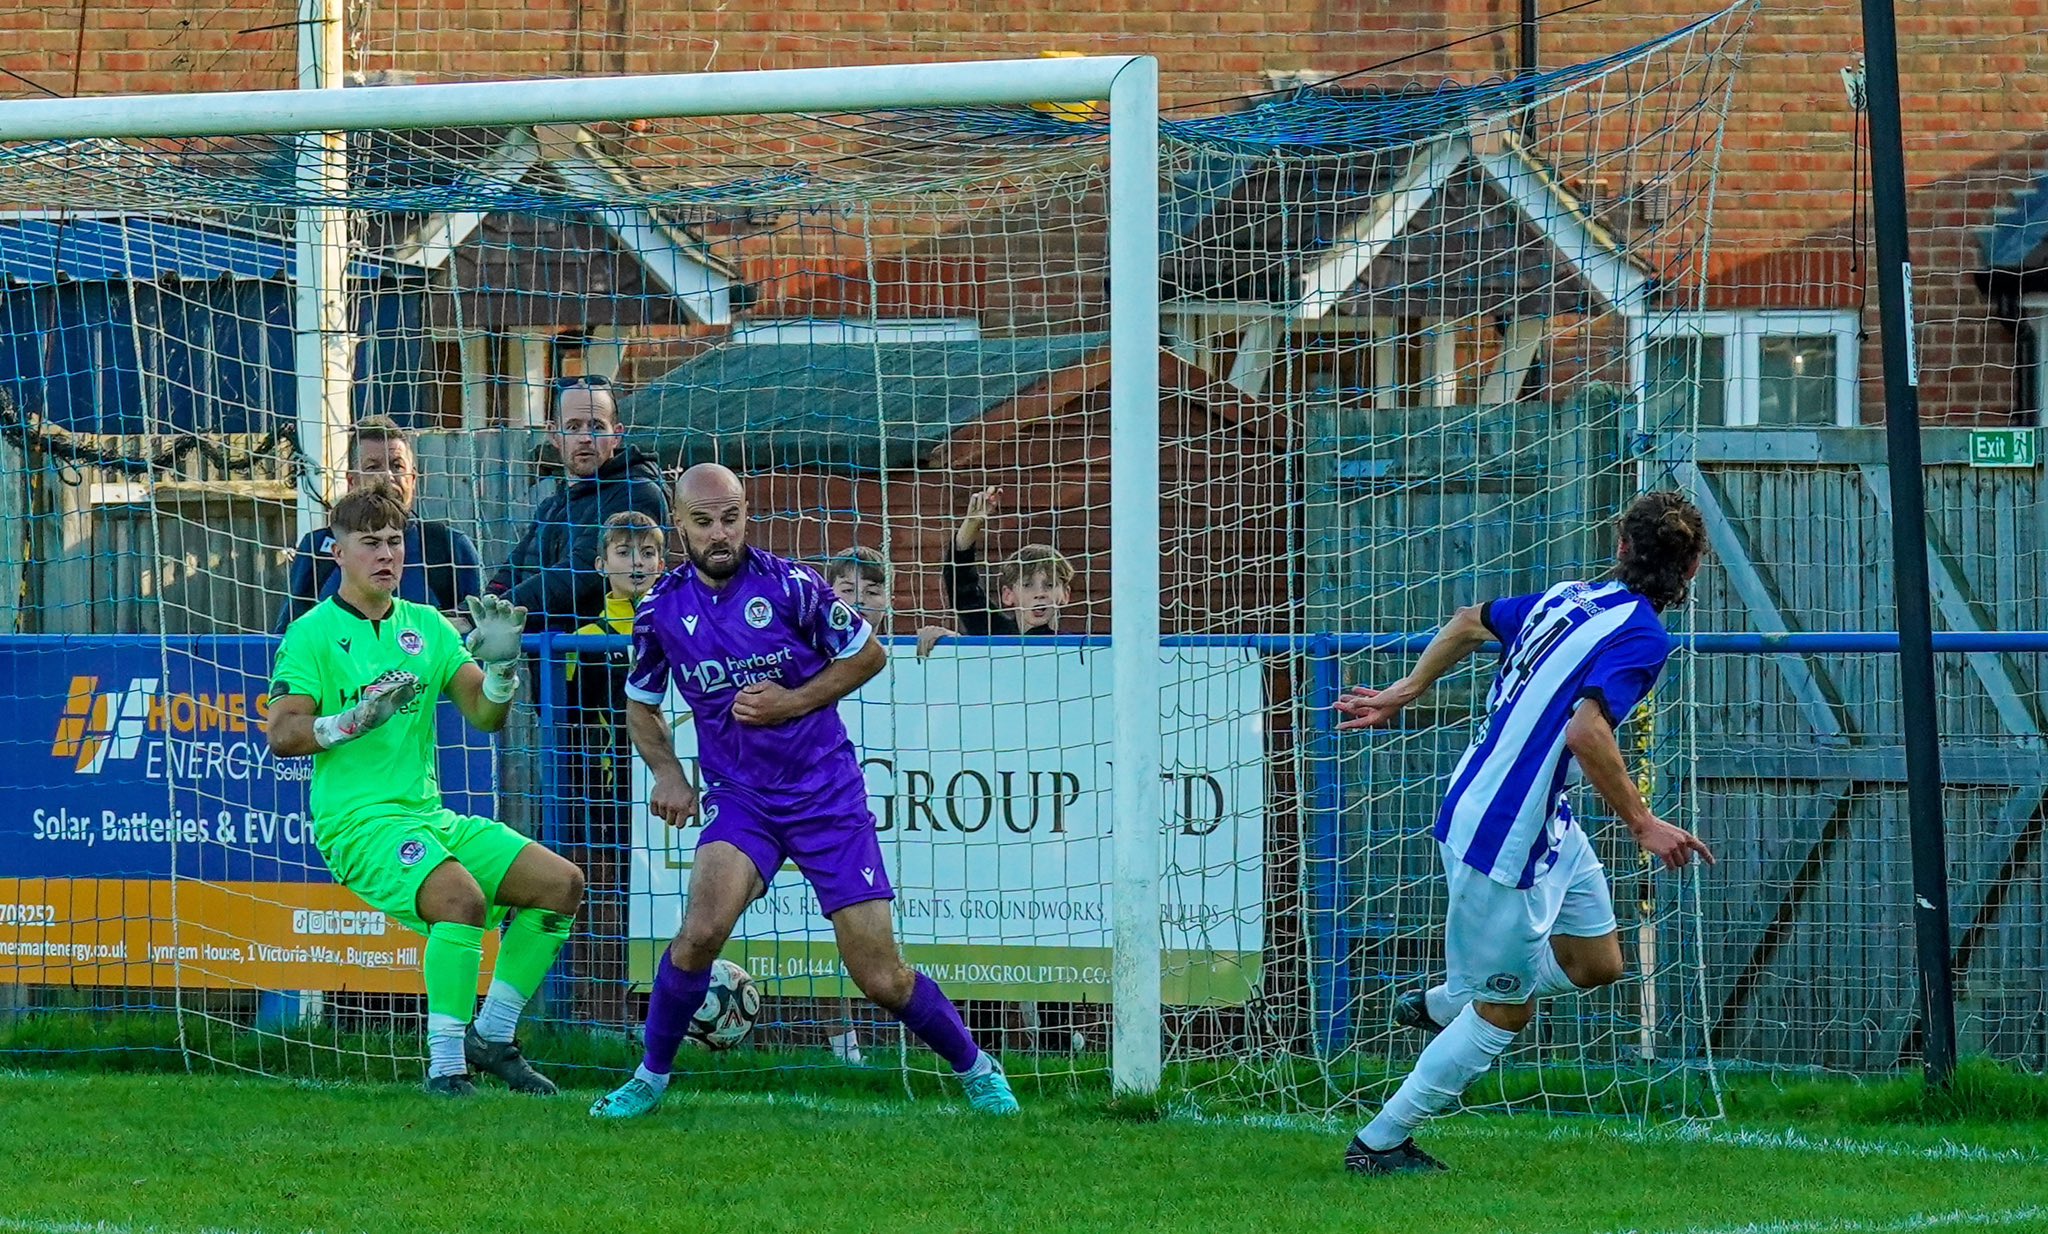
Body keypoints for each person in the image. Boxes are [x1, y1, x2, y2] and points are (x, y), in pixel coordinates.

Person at [589, 463, 1019, 1119]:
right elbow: (641, 707)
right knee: (700, 933)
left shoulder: (791, 585)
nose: (720, 533)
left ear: (745, 515)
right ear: (680, 525)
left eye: (730, 517)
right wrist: (668, 773)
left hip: (825, 794)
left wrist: (791, 701)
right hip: (743, 799)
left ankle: (977, 1068)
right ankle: (649, 1077)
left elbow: (868, 654)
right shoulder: (660, 610)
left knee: (879, 976)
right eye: (703, 522)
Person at [1333, 490, 1716, 1175]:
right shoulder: (1645, 638)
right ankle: (1380, 1143)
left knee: (1599, 966)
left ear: (1623, 548)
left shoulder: (1569, 597)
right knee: (1505, 1014)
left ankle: (1446, 999)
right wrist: (1643, 822)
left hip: (1544, 823)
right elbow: (1587, 730)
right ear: (1691, 571)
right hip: (1501, 840)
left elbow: (1466, 622)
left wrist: (1406, 690)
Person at [266, 484, 586, 1097]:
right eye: (370, 543)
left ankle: (492, 1036)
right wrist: (352, 721)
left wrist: (499, 670)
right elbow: (283, 733)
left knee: (560, 885)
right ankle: (445, 1070)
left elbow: (485, 716)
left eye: (395, 542)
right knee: (460, 901)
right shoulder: (311, 634)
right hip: (357, 824)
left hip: (425, 817)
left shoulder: (428, 626)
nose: (386, 555)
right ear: (338, 552)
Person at [561, 510, 668, 1029]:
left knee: (670, 903)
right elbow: (570, 725)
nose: (637, 562)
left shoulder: (682, 628)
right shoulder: (585, 637)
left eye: (647, 552)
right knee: (604, 904)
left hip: (675, 790)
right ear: (602, 563)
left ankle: (670, 1016)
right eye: (625, 553)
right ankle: (604, 1018)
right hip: (607, 798)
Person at [486, 376, 670, 631]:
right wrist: (482, 608)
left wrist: (497, 616)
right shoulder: (553, 505)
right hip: (552, 663)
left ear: (616, 435)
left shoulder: (637, 493)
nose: (585, 437)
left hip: (609, 662)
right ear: (553, 434)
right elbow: (515, 567)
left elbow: (580, 573)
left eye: (596, 426)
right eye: (573, 427)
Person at [274, 415, 481, 633]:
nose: (387, 476)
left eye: (397, 466)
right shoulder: (317, 548)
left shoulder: (448, 546)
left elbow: (477, 634)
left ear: (413, 478)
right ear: (352, 482)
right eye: (373, 467)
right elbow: (286, 638)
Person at [938, 486, 1074, 640]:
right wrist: (971, 524)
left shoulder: (1073, 648)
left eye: (1049, 585)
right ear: (1008, 595)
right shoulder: (997, 632)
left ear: (1065, 594)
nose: (1040, 594)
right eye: (1027, 585)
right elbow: (963, 589)